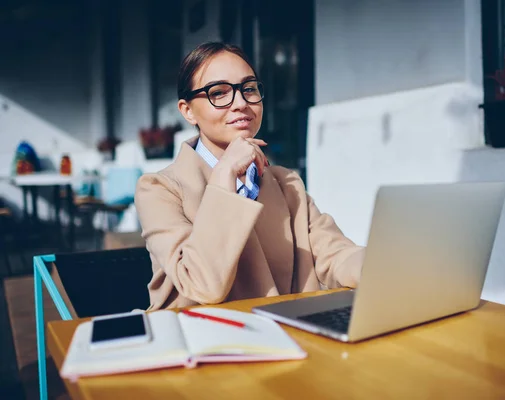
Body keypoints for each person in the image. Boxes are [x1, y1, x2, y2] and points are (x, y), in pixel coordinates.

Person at [135, 42, 364, 310]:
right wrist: (224, 176)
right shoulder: (159, 189)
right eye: (218, 93)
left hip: (289, 332)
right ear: (187, 111)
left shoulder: (285, 183)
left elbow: (334, 254)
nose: (241, 103)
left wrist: (388, 267)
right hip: (204, 342)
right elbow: (203, 285)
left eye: (249, 89)